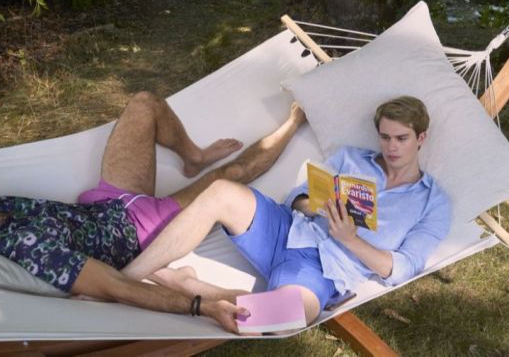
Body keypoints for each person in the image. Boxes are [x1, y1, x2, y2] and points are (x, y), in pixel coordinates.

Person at [0, 91, 307, 332]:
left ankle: (193, 155)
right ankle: (295, 120)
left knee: (145, 103)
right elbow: (115, 286)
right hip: (142, 228)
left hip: (107, 199)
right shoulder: (29, 249)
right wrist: (199, 307)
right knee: (232, 176)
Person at [121, 96, 452, 326]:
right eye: (385, 137)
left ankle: (186, 286)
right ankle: (125, 279)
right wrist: (316, 206)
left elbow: (404, 267)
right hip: (287, 230)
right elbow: (297, 198)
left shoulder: (432, 202)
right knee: (221, 192)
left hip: (325, 269)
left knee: (287, 315)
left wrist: (350, 240)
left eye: (401, 138)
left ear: (421, 138)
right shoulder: (351, 158)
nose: (391, 147)